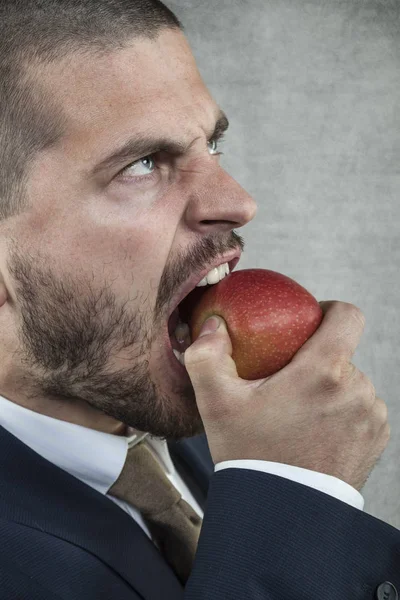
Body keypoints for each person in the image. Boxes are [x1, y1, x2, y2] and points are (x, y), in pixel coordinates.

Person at [0, 0, 397, 598]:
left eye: (212, 145)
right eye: (140, 164)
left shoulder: (234, 431)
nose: (237, 202)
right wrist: (294, 498)